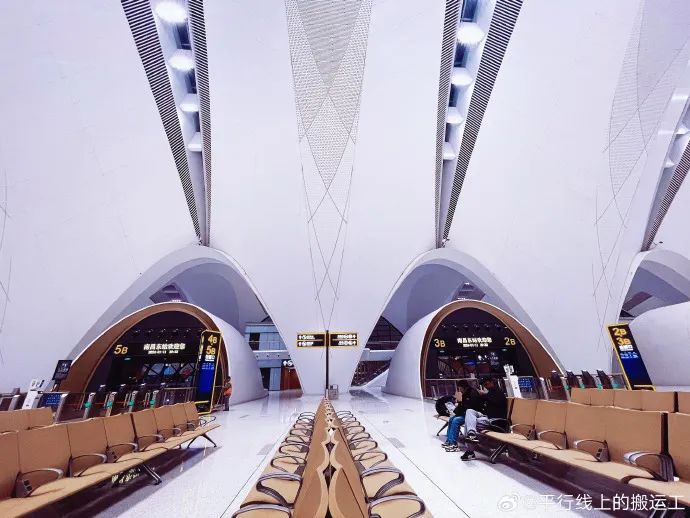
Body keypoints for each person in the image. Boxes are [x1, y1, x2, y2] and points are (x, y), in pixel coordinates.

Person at [461, 377, 507, 461]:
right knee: (469, 411)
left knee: (470, 422)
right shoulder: (490, 393)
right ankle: (471, 434)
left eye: (486, 384)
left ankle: (470, 451)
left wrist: (484, 395)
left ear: (492, 382)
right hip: (486, 416)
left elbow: (494, 401)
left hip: (495, 420)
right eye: (484, 385)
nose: (485, 386)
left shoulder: (499, 393)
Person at [442, 381, 483, 452]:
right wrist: (456, 411)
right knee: (452, 419)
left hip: (472, 416)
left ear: (464, 387)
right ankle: (449, 441)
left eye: (460, 388)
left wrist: (460, 405)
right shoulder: (465, 393)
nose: (459, 390)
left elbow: (471, 408)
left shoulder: (473, 393)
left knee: (456, 420)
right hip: (465, 414)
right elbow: (463, 406)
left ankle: (454, 444)